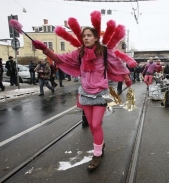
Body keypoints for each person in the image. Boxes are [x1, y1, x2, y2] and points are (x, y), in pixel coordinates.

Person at [32, 26, 133, 171]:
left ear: (96, 37)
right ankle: (100, 143)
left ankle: (97, 154)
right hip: (85, 93)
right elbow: (59, 58)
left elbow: (118, 64)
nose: (85, 38)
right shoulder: (79, 53)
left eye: (89, 35)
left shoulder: (105, 52)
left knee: (96, 124)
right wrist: (44, 49)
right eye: (84, 36)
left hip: (100, 93)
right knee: (91, 125)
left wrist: (126, 77)